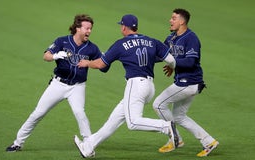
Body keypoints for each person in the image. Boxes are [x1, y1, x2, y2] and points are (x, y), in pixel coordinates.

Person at [73, 14, 179, 158]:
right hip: (149, 87)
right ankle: (88, 147)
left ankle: (166, 127)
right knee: (113, 121)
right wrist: (171, 68)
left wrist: (87, 63)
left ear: (124, 27)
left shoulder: (121, 44)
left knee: (133, 122)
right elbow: (171, 59)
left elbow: (100, 64)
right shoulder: (151, 41)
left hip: (135, 85)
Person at [6, 14, 104, 152]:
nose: (89, 31)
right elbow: (45, 56)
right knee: (38, 113)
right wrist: (55, 56)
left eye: (91, 28)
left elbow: (102, 65)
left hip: (77, 86)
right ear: (77, 28)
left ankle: (89, 145)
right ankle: (18, 142)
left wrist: (96, 61)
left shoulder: (92, 48)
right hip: (58, 84)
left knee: (79, 113)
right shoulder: (62, 41)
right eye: (86, 28)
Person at [152, 8, 219, 157]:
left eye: (173, 18)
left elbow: (190, 62)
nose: (170, 20)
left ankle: (175, 138)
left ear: (182, 21)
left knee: (158, 104)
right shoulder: (171, 38)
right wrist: (145, 54)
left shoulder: (191, 38)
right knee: (179, 116)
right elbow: (161, 55)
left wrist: (173, 63)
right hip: (184, 82)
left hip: (189, 83)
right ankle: (209, 141)